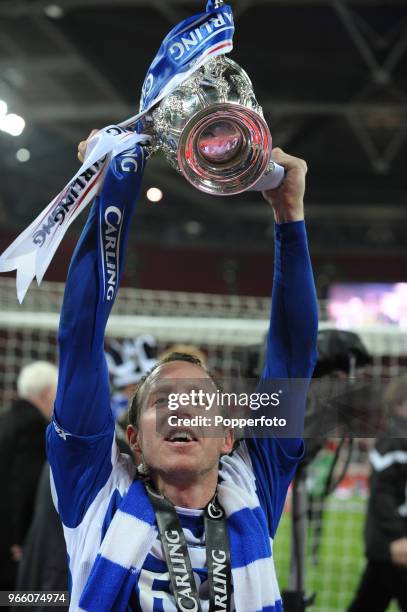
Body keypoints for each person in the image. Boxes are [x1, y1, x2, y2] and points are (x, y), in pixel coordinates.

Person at [47, 139, 318, 611]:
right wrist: (114, 190)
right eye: (161, 401)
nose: (180, 408)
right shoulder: (95, 486)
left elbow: (293, 357)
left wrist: (289, 214)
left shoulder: (252, 480)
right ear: (133, 439)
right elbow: (79, 336)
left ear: (228, 436)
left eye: (198, 398)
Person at [348, 374, 407, 612]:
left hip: (389, 545)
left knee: (370, 600)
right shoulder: (395, 439)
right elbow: (381, 494)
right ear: (401, 403)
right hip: (393, 543)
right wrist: (397, 537)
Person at [0, 361, 58, 592]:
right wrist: (21, 539)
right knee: (19, 600)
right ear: (46, 394)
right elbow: (23, 489)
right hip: (11, 549)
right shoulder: (33, 428)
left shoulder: (6, 420)